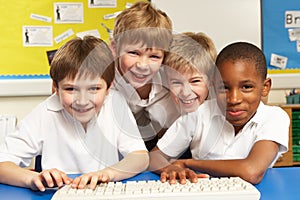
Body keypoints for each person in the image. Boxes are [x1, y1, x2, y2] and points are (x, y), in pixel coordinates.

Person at [0, 36, 149, 191]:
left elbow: (140, 157)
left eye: (94, 89)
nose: (82, 101)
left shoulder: (115, 103)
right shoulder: (44, 113)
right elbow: (2, 164)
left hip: (105, 193)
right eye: (71, 89)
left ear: (108, 88)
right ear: (56, 88)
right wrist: (33, 178)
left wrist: (107, 174)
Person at [149, 41, 289, 185]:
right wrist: (170, 167)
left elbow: (251, 172)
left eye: (246, 87)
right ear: (214, 86)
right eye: (224, 87)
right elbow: (154, 157)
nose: (234, 99)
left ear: (265, 87)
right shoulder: (198, 114)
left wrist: (188, 163)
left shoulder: (275, 118)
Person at [110, 1, 179, 151]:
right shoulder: (101, 79)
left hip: (160, 147)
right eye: (134, 53)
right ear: (115, 49)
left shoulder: (170, 79)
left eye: (154, 56)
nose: (142, 65)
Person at [164, 32, 217, 114]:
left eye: (195, 81)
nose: (186, 93)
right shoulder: (159, 110)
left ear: (211, 80)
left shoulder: (220, 108)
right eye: (176, 82)